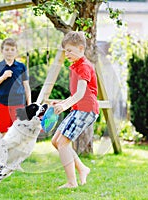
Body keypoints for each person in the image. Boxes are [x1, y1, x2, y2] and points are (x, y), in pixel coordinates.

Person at [51, 31, 99, 189]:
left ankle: (72, 182)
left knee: (63, 144)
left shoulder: (84, 67)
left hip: (86, 109)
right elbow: (76, 95)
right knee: (56, 141)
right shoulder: (76, 66)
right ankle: (82, 169)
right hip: (78, 108)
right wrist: (63, 102)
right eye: (65, 50)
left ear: (81, 48)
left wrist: (64, 106)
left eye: (70, 50)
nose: (67, 53)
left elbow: (80, 94)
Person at [0, 38, 31, 136]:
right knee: (4, 133)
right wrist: (3, 77)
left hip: (19, 104)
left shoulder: (21, 66)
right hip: (3, 104)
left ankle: (17, 152)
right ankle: (4, 151)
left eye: (12, 50)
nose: (9, 52)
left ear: (16, 51)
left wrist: (29, 104)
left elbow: (26, 87)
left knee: (19, 132)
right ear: (2, 51)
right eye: (6, 50)